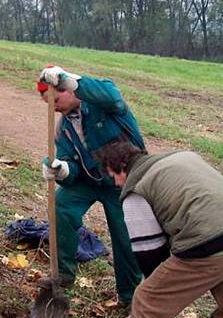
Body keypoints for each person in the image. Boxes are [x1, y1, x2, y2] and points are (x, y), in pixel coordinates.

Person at [100, 142, 223, 318]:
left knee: (147, 300)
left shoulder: (136, 190)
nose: (116, 183)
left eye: (113, 175)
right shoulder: (183, 157)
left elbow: (150, 255)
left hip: (209, 243)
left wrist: (156, 290)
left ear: (122, 166)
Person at [36, 66, 145, 305]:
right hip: (89, 181)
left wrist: (73, 81)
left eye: (56, 98)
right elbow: (70, 167)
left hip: (122, 180)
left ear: (69, 90)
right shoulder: (63, 129)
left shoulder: (103, 105)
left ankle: (129, 295)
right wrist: (62, 170)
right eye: (48, 103)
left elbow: (112, 94)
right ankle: (63, 275)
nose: (53, 106)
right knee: (61, 207)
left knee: (125, 235)